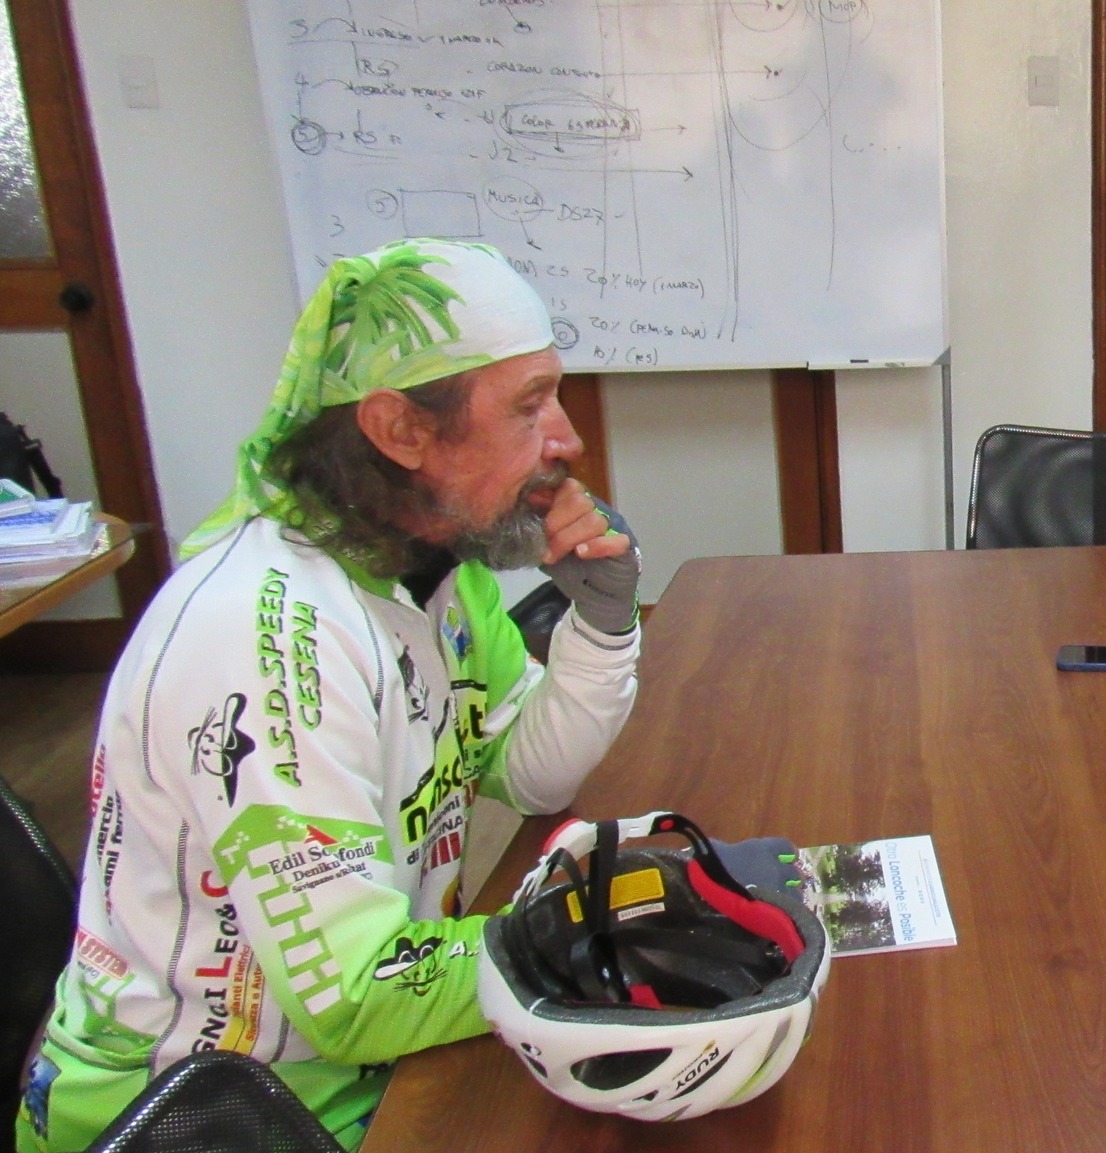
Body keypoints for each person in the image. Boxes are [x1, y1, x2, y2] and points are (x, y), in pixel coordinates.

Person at [18, 240, 643, 1152]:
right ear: (400, 430)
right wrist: (605, 921)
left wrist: (602, 627)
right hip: (210, 1113)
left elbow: (529, 775)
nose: (567, 438)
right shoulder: (263, 637)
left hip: (361, 1066)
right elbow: (359, 995)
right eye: (528, 405)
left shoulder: (437, 572)